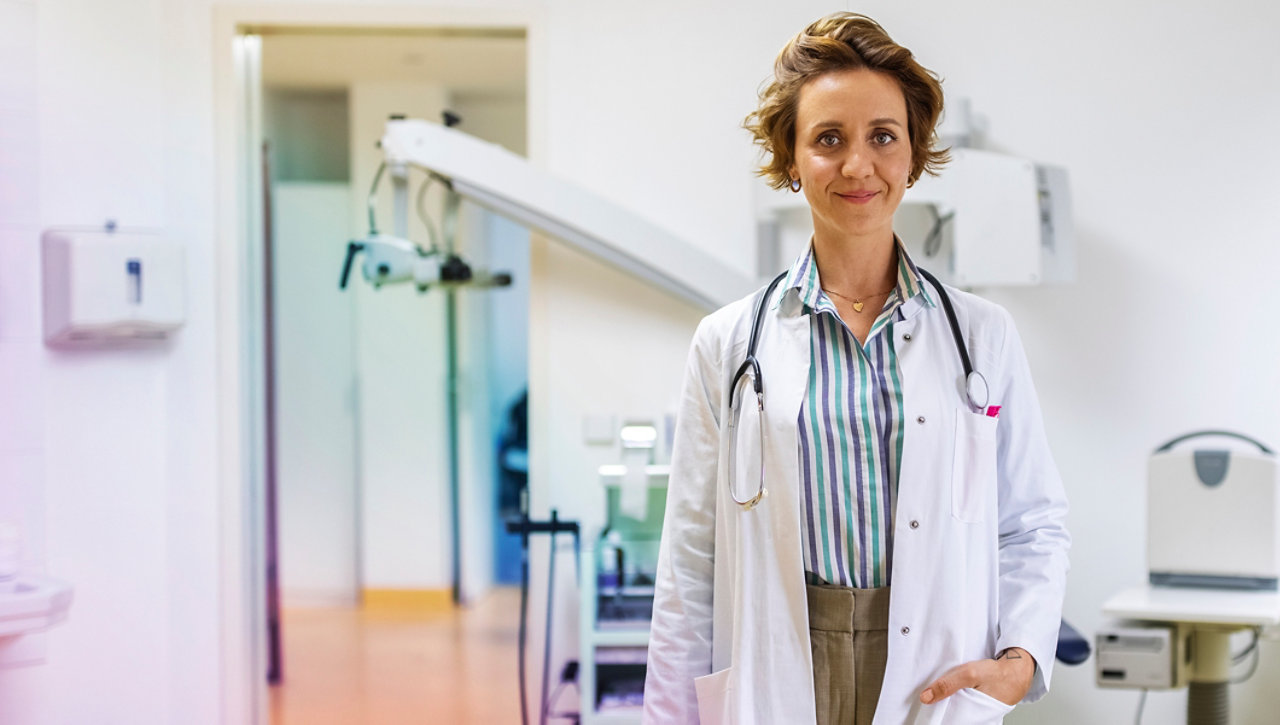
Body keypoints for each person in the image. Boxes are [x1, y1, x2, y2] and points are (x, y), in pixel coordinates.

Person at [642, 12, 1069, 725]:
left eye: (883, 136)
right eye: (828, 138)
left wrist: (1020, 662)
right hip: (779, 659)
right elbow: (690, 556)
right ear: (790, 159)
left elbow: (1033, 521)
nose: (858, 165)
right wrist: (666, 716)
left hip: (933, 668)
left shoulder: (982, 337)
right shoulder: (726, 342)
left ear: (913, 153)